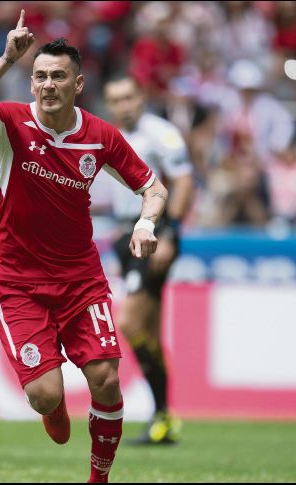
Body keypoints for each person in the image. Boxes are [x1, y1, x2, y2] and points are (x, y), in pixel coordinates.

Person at [0, 11, 168, 483]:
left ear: (78, 83)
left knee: (106, 379)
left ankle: (99, 478)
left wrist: (147, 224)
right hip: (17, 282)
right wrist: (7, 59)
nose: (48, 85)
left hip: (80, 281)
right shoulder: (8, 123)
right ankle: (52, 409)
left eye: (58, 76)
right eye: (40, 76)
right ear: (30, 84)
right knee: (46, 394)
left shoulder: (101, 136)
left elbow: (154, 187)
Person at [92, 76, 193, 445]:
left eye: (130, 97)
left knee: (131, 322)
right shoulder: (109, 135)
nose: (124, 105)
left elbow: (183, 181)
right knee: (146, 330)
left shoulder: (161, 134)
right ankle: (163, 418)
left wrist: (170, 233)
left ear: (142, 97)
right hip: (124, 235)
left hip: (152, 234)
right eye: (116, 99)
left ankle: (163, 414)